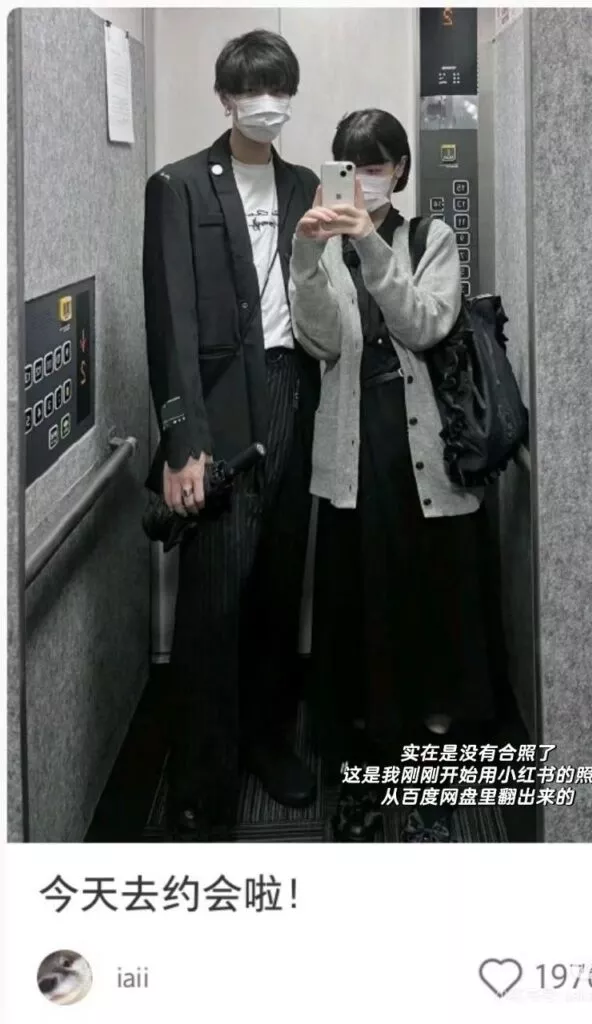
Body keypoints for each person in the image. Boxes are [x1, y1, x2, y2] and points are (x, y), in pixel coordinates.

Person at [289, 109, 497, 842]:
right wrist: (306, 257)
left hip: (425, 455)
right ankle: (366, 774)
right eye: (352, 166)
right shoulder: (324, 246)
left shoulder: (428, 237)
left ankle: (430, 782)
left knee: (430, 612)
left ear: (400, 169)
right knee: (359, 614)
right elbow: (318, 340)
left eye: (376, 166)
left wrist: (371, 245)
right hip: (354, 452)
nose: (365, 180)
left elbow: (423, 324)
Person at [143, 30, 321, 840]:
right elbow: (171, 320)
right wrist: (182, 441)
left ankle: (268, 743)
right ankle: (200, 787)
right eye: (251, 89)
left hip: (293, 390)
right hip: (218, 408)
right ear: (225, 98)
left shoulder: (305, 184)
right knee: (214, 598)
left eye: (278, 88)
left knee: (279, 581)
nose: (266, 103)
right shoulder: (179, 185)